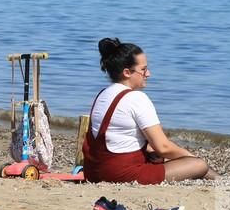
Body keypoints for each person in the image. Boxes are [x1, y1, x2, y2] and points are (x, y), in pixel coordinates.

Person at [83, 37, 220, 184]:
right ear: (127, 72)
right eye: (143, 70)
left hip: (93, 172)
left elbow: (120, 137)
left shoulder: (103, 94)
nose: (148, 74)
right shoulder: (136, 98)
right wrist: (190, 157)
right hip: (119, 174)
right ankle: (223, 181)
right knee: (198, 165)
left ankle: (221, 180)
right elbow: (164, 147)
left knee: (155, 153)